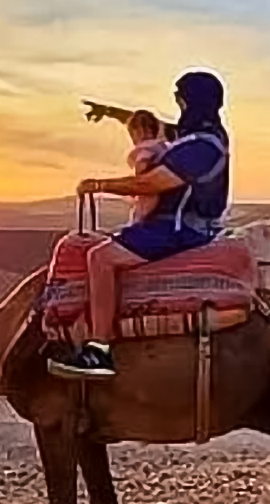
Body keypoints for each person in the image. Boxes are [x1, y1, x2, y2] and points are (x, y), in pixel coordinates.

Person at [50, 69, 232, 380]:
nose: (178, 105)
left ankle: (99, 350)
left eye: (180, 99)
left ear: (190, 100)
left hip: (177, 230)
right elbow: (148, 126)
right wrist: (111, 113)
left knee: (100, 258)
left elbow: (152, 184)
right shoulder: (200, 135)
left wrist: (98, 184)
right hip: (178, 225)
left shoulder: (201, 147)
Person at [124, 109, 169, 224]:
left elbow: (142, 184)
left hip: (149, 211)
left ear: (136, 132)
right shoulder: (164, 150)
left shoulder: (144, 152)